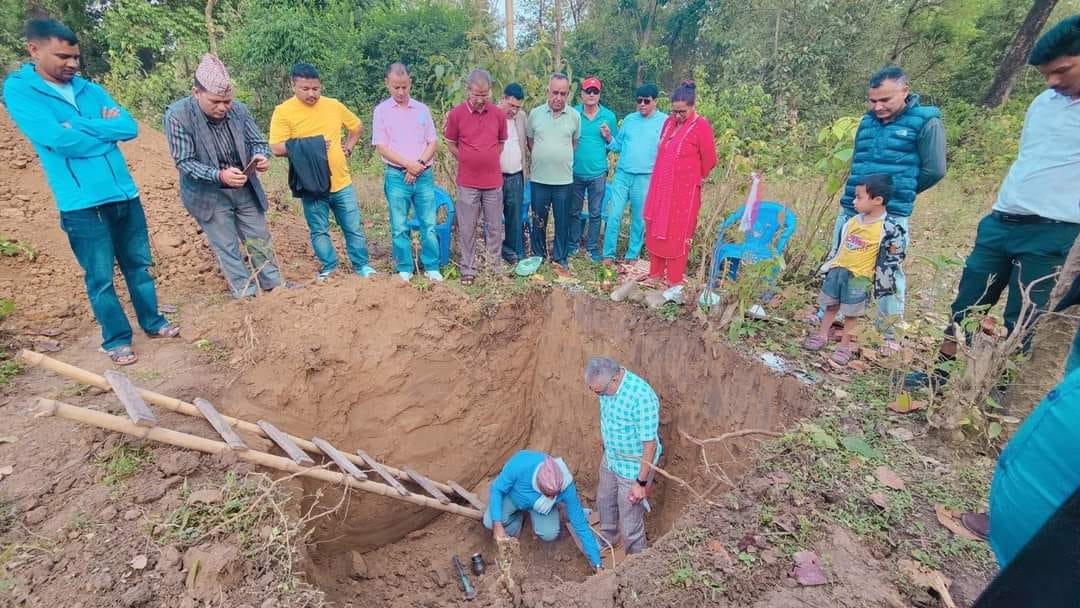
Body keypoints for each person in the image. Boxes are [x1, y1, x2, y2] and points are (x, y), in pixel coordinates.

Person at [908, 15, 1080, 390]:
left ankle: (994, 391)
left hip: (1055, 233)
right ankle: (941, 374)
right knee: (967, 303)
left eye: (1062, 70)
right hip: (1002, 220)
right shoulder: (1044, 102)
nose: (1052, 81)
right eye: (1045, 74)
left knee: (1025, 317)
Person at [3, 18, 179, 365]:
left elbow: (127, 128)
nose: (72, 64)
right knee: (99, 277)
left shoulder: (88, 89)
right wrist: (104, 133)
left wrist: (83, 125)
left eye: (75, 57)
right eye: (63, 56)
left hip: (124, 195)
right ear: (34, 50)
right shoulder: (20, 90)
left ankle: (153, 322)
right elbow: (56, 139)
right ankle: (116, 339)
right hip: (82, 204)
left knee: (139, 266)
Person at [164, 54, 292, 298]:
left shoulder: (239, 111)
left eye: (227, 101)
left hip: (243, 185)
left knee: (258, 236)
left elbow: (258, 142)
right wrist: (219, 175)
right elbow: (184, 162)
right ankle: (245, 293)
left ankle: (275, 288)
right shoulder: (178, 116)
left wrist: (261, 156)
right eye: (216, 101)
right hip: (208, 193)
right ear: (196, 92)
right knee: (227, 245)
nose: (223, 107)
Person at [831, 66, 946, 337]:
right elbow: (858, 160)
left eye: (885, 100)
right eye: (873, 101)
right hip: (853, 207)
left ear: (905, 91)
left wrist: (897, 193)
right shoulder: (867, 122)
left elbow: (935, 170)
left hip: (890, 213)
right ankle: (835, 318)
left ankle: (888, 333)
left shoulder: (926, 121)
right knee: (842, 261)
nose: (878, 106)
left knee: (888, 270)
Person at [269, 63, 376, 282]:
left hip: (341, 181)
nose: (311, 93)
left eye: (316, 89)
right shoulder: (284, 111)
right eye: (305, 89)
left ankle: (362, 266)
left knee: (353, 227)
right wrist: (313, 145)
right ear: (293, 86)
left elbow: (356, 126)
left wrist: (349, 146)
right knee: (319, 230)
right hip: (311, 183)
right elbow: (276, 147)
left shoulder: (333, 106)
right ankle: (330, 268)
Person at [804, 174, 906, 366]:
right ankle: (822, 335)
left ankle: (844, 346)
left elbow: (894, 256)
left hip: (860, 278)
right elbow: (840, 246)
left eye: (859, 197)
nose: (854, 201)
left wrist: (881, 278)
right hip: (839, 271)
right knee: (830, 305)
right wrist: (830, 265)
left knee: (852, 313)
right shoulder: (852, 222)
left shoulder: (889, 229)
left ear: (877, 200)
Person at [584, 356, 662, 555]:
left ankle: (636, 560)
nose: (598, 396)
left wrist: (641, 482)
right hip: (611, 458)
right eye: (594, 392)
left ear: (615, 379)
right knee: (604, 500)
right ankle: (608, 538)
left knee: (629, 518)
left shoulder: (641, 397)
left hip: (633, 467)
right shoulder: (605, 390)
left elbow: (650, 445)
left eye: (600, 391)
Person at [642, 81, 717, 286]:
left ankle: (674, 280)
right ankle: (655, 274)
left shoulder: (701, 126)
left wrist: (689, 176)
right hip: (661, 188)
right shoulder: (669, 123)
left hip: (684, 193)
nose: (677, 115)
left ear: (692, 107)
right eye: (674, 111)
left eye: (682, 111)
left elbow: (709, 160)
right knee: (656, 228)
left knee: (677, 235)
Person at [372, 63, 442, 282]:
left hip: (423, 175)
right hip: (396, 176)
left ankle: (431, 266)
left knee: (428, 224)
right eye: (396, 87)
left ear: (410, 83)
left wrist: (418, 164)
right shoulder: (381, 111)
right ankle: (405, 267)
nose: (401, 92)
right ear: (387, 84)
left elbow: (433, 142)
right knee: (399, 225)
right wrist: (407, 165)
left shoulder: (422, 110)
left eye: (404, 87)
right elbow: (381, 146)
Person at [484, 450, 602, 572]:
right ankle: (516, 524)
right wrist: (497, 525)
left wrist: (597, 562)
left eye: (555, 495)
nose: (552, 498)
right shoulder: (520, 464)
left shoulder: (566, 485)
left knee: (549, 533)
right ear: (539, 484)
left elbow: (581, 525)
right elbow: (497, 489)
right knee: (489, 521)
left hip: (541, 509)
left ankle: (551, 516)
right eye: (548, 494)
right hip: (514, 497)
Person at [445, 69, 507, 286]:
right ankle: (468, 268)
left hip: (493, 182)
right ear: (468, 90)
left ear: (490, 91)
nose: (481, 99)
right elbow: (450, 143)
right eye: (476, 94)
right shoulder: (456, 115)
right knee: (467, 226)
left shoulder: (498, 114)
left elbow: (501, 142)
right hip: (467, 182)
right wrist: (466, 158)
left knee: (494, 227)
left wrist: (488, 158)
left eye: (485, 94)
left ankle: (493, 267)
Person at [602, 83, 667, 265]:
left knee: (638, 219)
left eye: (647, 101)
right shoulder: (630, 119)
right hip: (622, 175)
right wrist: (608, 137)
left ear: (655, 101)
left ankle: (632, 256)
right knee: (613, 214)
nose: (643, 105)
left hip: (645, 177)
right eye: (639, 101)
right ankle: (608, 254)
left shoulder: (665, 122)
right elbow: (618, 146)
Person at [527, 73, 581, 276]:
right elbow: (531, 142)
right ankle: (538, 255)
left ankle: (560, 257)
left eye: (563, 93)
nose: (558, 97)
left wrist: (558, 156)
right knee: (538, 220)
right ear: (547, 91)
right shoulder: (535, 114)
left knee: (562, 220)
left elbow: (574, 144)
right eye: (554, 92)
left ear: (568, 95)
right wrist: (546, 155)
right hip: (539, 179)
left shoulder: (574, 116)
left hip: (564, 181)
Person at [568, 76, 616, 261]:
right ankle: (573, 245)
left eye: (595, 91)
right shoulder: (573, 113)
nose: (591, 94)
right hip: (575, 171)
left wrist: (608, 136)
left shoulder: (608, 116)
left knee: (595, 213)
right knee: (574, 211)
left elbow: (615, 145)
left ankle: (592, 248)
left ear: (599, 94)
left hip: (598, 173)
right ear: (582, 93)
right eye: (588, 91)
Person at [497, 83, 528, 264]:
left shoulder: (522, 118)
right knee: (493, 219)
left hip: (516, 175)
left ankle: (510, 253)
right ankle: (492, 253)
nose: (514, 110)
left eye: (517, 107)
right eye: (511, 106)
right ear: (503, 98)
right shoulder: (492, 115)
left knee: (514, 218)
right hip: (495, 177)